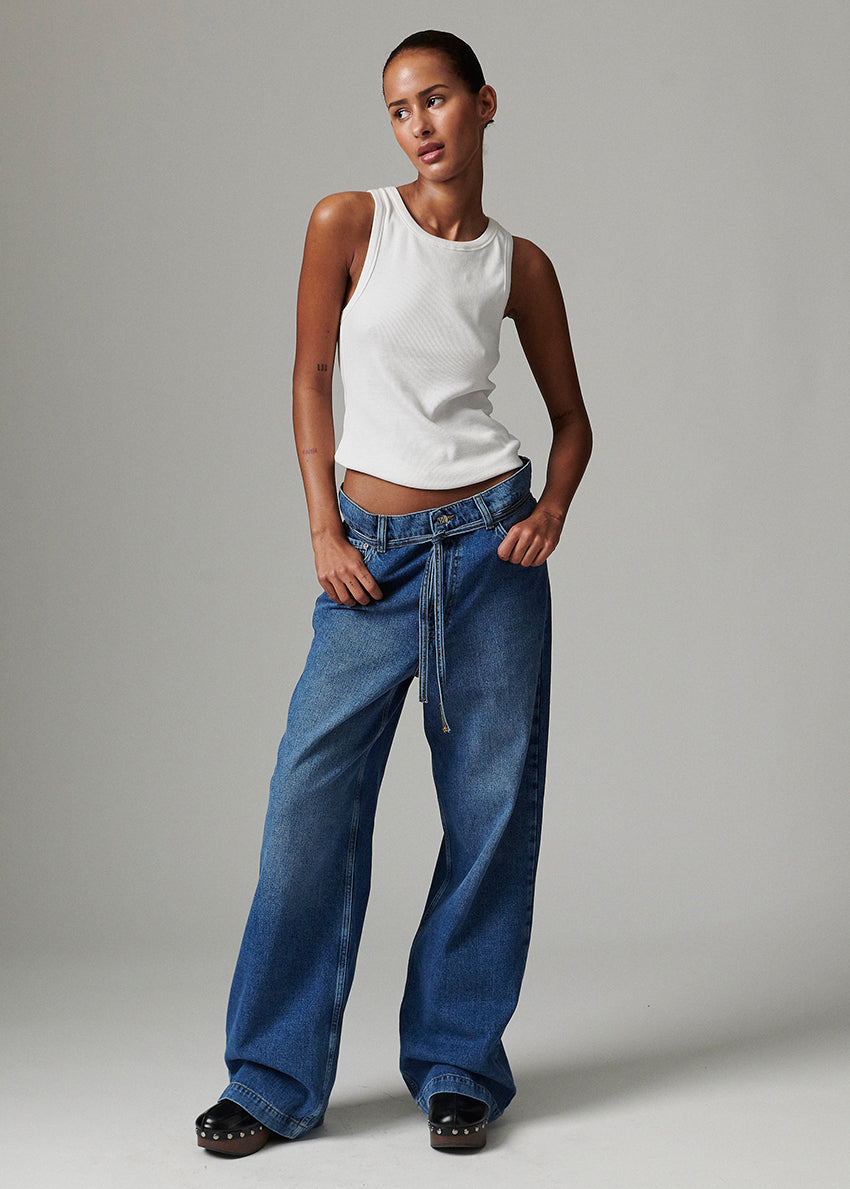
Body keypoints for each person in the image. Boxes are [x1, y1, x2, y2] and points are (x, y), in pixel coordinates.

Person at [195, 28, 592, 1156]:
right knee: (307, 808)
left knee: (489, 815)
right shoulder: (348, 222)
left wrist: (551, 510)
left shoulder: (519, 265)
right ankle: (271, 1078)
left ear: (484, 104)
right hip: (367, 557)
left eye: (437, 100)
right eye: (400, 109)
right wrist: (323, 528)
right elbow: (310, 374)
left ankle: (459, 1065)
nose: (419, 125)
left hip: (490, 557)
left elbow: (574, 420)